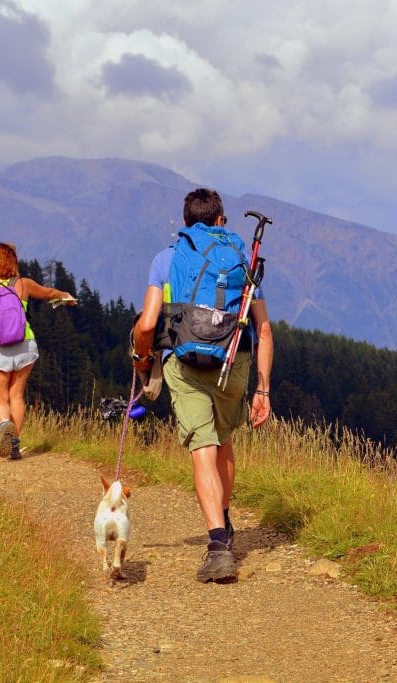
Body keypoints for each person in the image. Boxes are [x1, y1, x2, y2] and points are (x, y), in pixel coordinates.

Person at [132, 188, 273, 582]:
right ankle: (224, 520)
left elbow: (147, 324)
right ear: (221, 220)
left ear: (185, 220)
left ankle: (217, 543)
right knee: (224, 439)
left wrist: (143, 358)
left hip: (185, 361)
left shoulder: (167, 258)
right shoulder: (242, 259)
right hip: (235, 359)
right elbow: (263, 328)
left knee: (202, 446)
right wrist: (263, 389)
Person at [0, 242, 76, 460]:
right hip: (25, 346)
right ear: (12, 262)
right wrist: (66, 296)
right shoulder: (23, 284)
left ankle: (5, 426)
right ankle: (14, 445)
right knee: (16, 395)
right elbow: (49, 293)